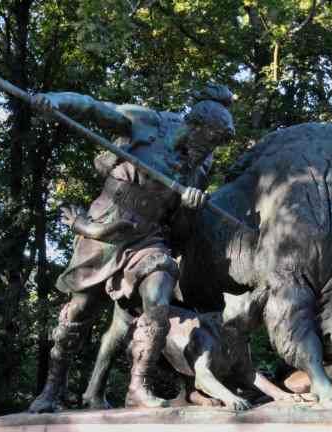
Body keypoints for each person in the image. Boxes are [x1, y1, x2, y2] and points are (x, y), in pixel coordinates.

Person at [28, 84, 235, 413]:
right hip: (106, 230)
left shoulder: (196, 170)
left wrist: (189, 208)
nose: (210, 150)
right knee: (80, 312)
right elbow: (91, 105)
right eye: (209, 141)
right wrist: (53, 100)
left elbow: (180, 234)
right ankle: (52, 388)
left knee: (160, 289)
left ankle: (138, 385)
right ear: (196, 127)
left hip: (147, 239)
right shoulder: (147, 124)